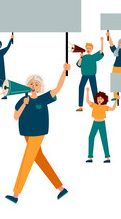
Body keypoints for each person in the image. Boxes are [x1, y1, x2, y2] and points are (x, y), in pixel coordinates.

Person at [5, 63, 71, 204]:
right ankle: (61, 188)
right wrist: (24, 103)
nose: (33, 85)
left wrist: (64, 72)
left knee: (27, 160)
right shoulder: (22, 100)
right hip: (27, 133)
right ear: (27, 85)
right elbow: (16, 116)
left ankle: (15, 195)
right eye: (31, 83)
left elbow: (58, 88)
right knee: (40, 160)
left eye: (36, 84)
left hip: (38, 133)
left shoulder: (43, 98)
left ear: (40, 87)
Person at [85, 87, 120, 163]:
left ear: (104, 100)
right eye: (98, 99)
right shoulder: (94, 105)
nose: (99, 100)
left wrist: (117, 100)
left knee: (104, 139)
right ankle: (90, 157)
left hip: (102, 123)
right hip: (95, 123)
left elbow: (113, 109)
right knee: (91, 137)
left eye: (101, 99)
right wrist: (87, 91)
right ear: (96, 99)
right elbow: (87, 100)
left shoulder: (104, 107)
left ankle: (107, 157)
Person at [76, 37, 104, 112]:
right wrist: (81, 57)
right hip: (84, 74)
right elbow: (79, 64)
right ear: (85, 48)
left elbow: (101, 51)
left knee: (94, 89)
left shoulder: (93, 57)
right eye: (87, 48)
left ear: (91, 49)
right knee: (81, 87)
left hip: (92, 74)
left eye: (90, 48)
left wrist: (102, 41)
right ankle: (80, 106)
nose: (88, 49)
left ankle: (97, 105)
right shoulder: (83, 57)